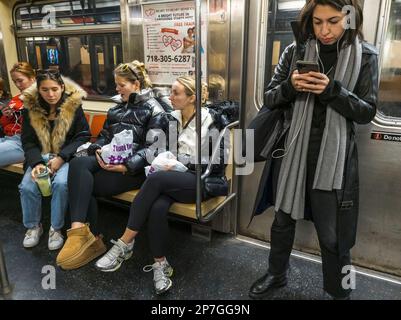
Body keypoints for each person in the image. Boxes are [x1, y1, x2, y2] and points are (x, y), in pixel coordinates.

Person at [249, 0, 378, 300]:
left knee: (333, 235)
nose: (325, 30)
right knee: (282, 220)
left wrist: (331, 90)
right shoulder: (294, 52)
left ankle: (339, 291)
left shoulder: (366, 56)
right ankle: (276, 274)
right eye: (318, 22)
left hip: (332, 156)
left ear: (349, 18)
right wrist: (292, 86)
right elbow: (269, 98)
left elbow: (366, 112)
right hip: (293, 150)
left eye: (332, 21)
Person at [93, 76, 231, 295]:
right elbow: (155, 148)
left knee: (156, 180)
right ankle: (161, 265)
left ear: (192, 98)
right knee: (157, 207)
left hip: (201, 180)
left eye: (176, 93)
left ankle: (124, 243)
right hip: (173, 179)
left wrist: (180, 163)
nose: (170, 97)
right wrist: (163, 159)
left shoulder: (213, 122)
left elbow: (217, 162)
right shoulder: (171, 119)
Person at [56, 61, 169, 270]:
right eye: (116, 85)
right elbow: (104, 136)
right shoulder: (117, 107)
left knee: (84, 185)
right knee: (79, 165)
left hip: (135, 168)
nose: (116, 89)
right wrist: (98, 149)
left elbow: (154, 150)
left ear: (136, 84)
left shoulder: (155, 109)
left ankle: (93, 239)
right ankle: (79, 230)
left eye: (121, 85)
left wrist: (126, 166)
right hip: (111, 160)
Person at [19, 70, 90, 250]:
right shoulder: (29, 109)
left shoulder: (73, 106)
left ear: (62, 87)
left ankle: (56, 228)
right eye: (45, 90)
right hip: (39, 156)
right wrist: (36, 163)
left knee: (60, 184)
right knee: (27, 186)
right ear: (38, 90)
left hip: (65, 156)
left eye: (54, 89)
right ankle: (33, 226)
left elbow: (82, 136)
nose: (50, 94)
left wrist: (61, 157)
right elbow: (28, 141)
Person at [0, 62, 36, 167]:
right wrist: (7, 116)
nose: (17, 85)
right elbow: (4, 124)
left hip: (24, 143)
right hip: (8, 138)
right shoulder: (16, 99)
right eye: (14, 81)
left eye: (20, 80)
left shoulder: (42, 98)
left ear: (32, 78)